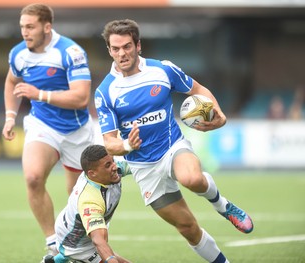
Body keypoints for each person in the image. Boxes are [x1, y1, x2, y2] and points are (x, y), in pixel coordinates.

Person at [95, 19, 254, 262]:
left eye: (126, 46)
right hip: (144, 168)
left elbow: (198, 90)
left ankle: (223, 205)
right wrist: (127, 146)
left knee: (191, 178)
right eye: (115, 49)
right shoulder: (106, 92)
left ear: (138, 46)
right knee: (188, 229)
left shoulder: (163, 70)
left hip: (173, 146)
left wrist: (219, 115)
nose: (121, 53)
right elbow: (109, 142)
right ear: (109, 50)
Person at [1, 3, 94, 256]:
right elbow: (11, 82)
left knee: (78, 196)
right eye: (22, 27)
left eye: (30, 27)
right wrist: (10, 117)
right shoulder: (18, 54)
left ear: (47, 27)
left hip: (77, 132)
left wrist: (38, 94)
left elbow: (81, 98)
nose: (25, 32)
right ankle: (53, 242)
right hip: (43, 125)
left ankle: (78, 244)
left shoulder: (71, 52)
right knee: (32, 178)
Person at [42, 145, 131, 263]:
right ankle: (70, 256)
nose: (115, 167)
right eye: (108, 165)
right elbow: (99, 241)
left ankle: (54, 261)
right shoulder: (90, 200)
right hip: (75, 242)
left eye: (112, 161)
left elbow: (140, 166)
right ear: (92, 173)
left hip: (76, 224)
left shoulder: (108, 172)